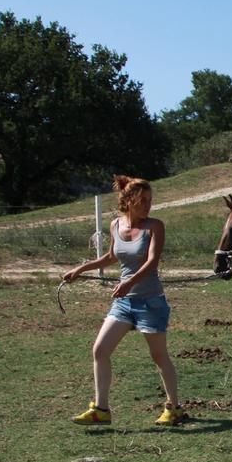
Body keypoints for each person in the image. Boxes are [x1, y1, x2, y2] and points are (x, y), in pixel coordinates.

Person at [62, 175, 183, 426]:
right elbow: (110, 256)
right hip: (123, 303)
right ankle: (101, 409)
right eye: (142, 201)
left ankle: (174, 408)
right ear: (128, 201)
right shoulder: (116, 225)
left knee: (159, 356)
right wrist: (81, 269)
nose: (148, 206)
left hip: (150, 301)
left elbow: (151, 263)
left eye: (150, 201)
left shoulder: (154, 227)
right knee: (100, 350)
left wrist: (128, 282)